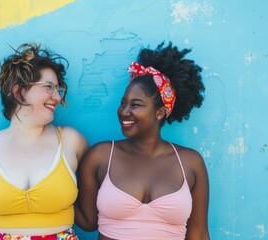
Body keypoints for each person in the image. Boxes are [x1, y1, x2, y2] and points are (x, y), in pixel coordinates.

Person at [75, 42, 210, 240]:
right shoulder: (101, 156)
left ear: (159, 112)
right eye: (123, 103)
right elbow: (87, 222)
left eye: (135, 105)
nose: (124, 111)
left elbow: (198, 234)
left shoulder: (190, 162)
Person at [0, 43, 88, 240]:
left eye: (58, 89)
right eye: (48, 87)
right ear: (18, 92)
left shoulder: (71, 141)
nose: (57, 97)